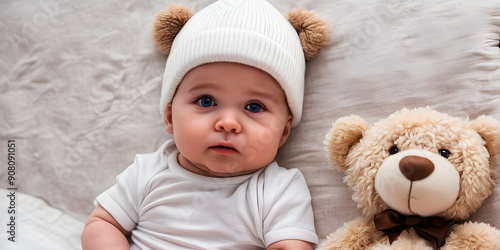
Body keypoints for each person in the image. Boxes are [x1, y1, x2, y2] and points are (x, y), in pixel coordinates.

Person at [81, 0, 329, 249]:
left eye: (254, 107)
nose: (228, 123)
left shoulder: (278, 190)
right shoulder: (147, 173)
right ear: (169, 116)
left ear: (283, 132)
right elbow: (103, 224)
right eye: (206, 101)